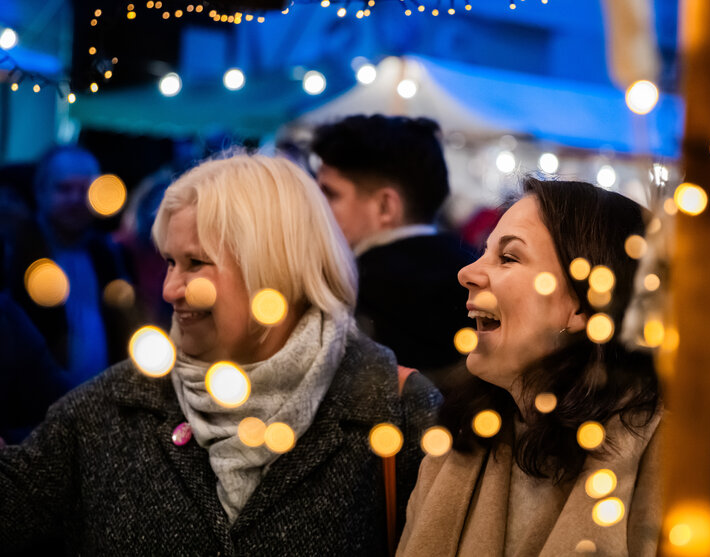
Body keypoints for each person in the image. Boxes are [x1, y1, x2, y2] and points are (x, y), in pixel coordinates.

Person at [0, 153, 441, 555]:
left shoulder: (394, 407)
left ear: (274, 267)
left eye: (195, 263)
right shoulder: (111, 407)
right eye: (170, 262)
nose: (170, 289)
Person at [397, 178, 662, 556]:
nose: (467, 273)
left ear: (583, 306)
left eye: (508, 258)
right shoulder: (461, 439)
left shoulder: (675, 458)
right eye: (485, 251)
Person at [311, 115, 474, 388]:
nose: (315, 206)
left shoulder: (348, 289)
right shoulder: (473, 275)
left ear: (386, 206)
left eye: (330, 194)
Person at [6, 145, 131, 388]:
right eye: (64, 189)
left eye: (85, 190)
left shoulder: (108, 254)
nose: (76, 199)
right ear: (40, 192)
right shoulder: (15, 252)